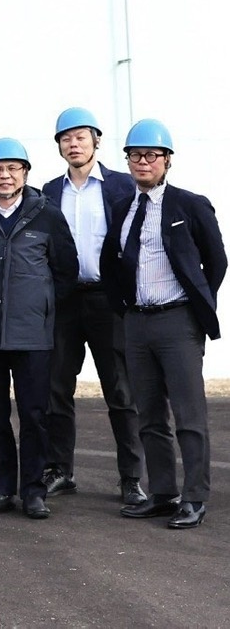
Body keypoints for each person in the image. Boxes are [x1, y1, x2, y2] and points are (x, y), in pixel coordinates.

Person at [100, 118, 227, 529]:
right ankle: (162, 493)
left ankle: (194, 497)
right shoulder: (123, 207)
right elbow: (111, 263)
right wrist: (124, 307)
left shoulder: (190, 205)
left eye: (151, 155)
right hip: (137, 323)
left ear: (167, 160)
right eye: (135, 155)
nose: (143, 162)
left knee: (189, 416)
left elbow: (216, 261)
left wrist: (195, 306)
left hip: (177, 322)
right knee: (149, 416)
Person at [0, 138, 78, 520]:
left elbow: (65, 271)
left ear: (25, 173)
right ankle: (1, 488)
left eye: (12, 168)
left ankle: (33, 492)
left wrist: (40, 307)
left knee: (35, 415)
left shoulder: (47, 214)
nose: (4, 176)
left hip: (32, 336)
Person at [41, 107, 145, 507]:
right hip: (65, 300)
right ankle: (60, 470)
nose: (74, 144)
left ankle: (131, 477)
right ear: (59, 146)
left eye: (81, 137)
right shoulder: (49, 191)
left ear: (96, 141)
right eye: (66, 139)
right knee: (56, 389)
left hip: (108, 300)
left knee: (120, 391)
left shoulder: (122, 185)